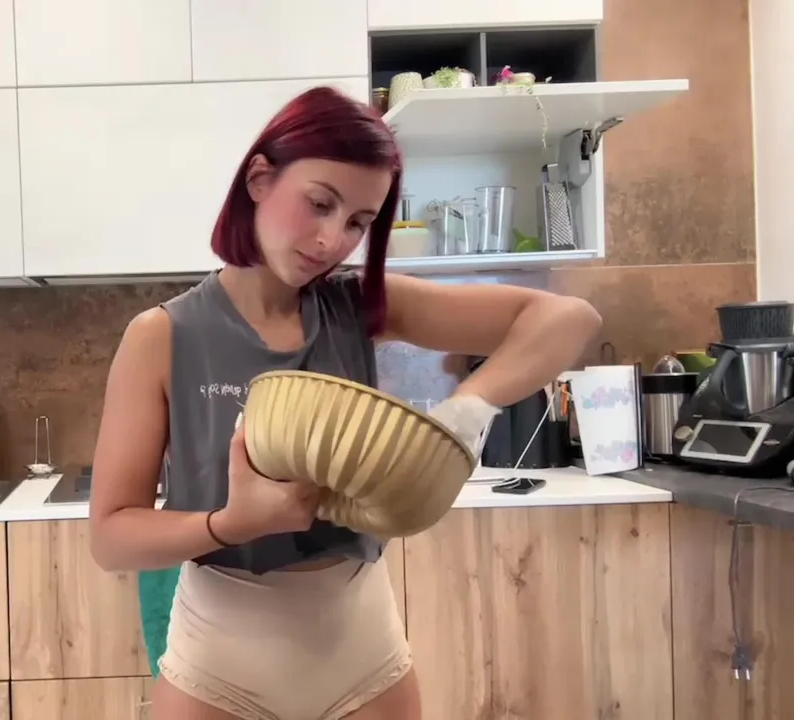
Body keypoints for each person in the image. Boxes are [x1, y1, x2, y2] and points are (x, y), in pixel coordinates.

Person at [88, 85, 602, 720]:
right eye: (319, 204)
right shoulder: (162, 336)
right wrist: (229, 525)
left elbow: (569, 319)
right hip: (216, 669)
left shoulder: (357, 307)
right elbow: (112, 538)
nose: (333, 240)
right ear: (259, 179)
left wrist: (466, 410)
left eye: (358, 222)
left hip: (364, 659)